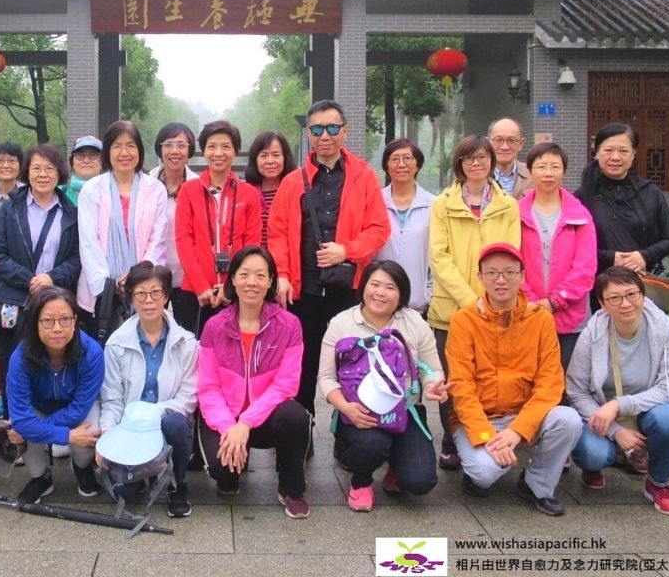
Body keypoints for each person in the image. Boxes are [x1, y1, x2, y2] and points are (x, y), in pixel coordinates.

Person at [268, 99, 390, 421]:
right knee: (302, 365)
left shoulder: (363, 177)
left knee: (353, 362)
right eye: (318, 129)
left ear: (344, 131)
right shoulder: (293, 181)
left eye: (333, 128)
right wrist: (282, 274)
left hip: (348, 289)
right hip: (303, 290)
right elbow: (277, 232)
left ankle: (351, 429)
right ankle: (302, 430)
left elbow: (379, 228)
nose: (325, 135)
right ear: (308, 133)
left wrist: (347, 250)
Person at [446, 242, 581, 517]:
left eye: (509, 272)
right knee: (485, 472)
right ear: (480, 277)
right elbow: (461, 386)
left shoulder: (540, 319)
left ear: (522, 276)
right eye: (492, 273)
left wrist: (517, 430)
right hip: (479, 418)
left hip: (523, 414)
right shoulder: (463, 320)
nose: (501, 280)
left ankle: (536, 485)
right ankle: (477, 474)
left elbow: (550, 383)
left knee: (569, 420)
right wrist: (486, 435)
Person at [319, 261, 449, 512]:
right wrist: (345, 408)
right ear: (363, 287)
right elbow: (325, 378)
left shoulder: (414, 322)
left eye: (390, 287)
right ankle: (361, 481)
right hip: (359, 412)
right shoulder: (342, 323)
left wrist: (433, 386)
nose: (380, 293)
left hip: (405, 412)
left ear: (401, 294)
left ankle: (396, 467)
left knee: (420, 482)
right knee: (371, 445)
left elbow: (432, 370)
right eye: (375, 285)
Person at [197, 246, 312, 518]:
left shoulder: (289, 325)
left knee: (295, 415)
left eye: (261, 275)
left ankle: (291, 489)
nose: (252, 282)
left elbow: (286, 385)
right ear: (233, 279)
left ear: (271, 281)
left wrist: (246, 423)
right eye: (244, 274)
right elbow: (208, 387)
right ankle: (234, 467)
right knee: (224, 476)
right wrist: (230, 428)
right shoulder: (214, 326)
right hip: (227, 417)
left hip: (266, 419)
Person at [428, 135, 519, 470]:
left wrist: (491, 298)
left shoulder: (508, 205)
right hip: (451, 310)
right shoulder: (443, 204)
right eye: (469, 158)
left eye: (482, 157)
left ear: (491, 161)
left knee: (485, 377)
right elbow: (439, 257)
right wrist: (471, 301)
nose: (476, 163)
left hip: (497, 308)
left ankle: (483, 436)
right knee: (453, 378)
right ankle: (451, 439)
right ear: (459, 163)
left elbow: (510, 255)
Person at [567, 268, 669, 516]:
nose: (625, 304)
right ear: (602, 303)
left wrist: (619, 405)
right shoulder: (592, 333)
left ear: (643, 295)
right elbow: (576, 391)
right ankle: (602, 461)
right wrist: (615, 429)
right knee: (592, 454)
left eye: (632, 294)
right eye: (614, 298)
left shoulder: (665, 330)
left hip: (646, 409)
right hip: (600, 411)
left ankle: (658, 483)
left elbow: (668, 389)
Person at [0, 144, 81, 420]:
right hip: (15, 301)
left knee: (52, 363)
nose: (43, 174)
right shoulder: (10, 209)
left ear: (59, 173)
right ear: (27, 172)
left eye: (49, 169)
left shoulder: (70, 212)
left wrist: (52, 278)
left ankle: (48, 423)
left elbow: (78, 258)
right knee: (13, 364)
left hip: (55, 300)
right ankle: (14, 424)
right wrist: (28, 279)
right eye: (36, 168)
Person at [99, 261, 199, 518]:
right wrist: (106, 436)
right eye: (140, 294)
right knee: (124, 494)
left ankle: (178, 484)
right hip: (130, 427)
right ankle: (144, 475)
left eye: (156, 292)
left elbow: (188, 399)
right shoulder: (116, 344)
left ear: (166, 296)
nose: (149, 301)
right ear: (131, 297)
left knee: (178, 423)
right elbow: (112, 398)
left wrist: (151, 413)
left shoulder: (186, 343)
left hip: (165, 422)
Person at [5, 286, 105, 503]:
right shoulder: (20, 357)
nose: (57, 328)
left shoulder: (92, 353)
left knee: (90, 430)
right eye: (48, 321)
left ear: (75, 320)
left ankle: (82, 468)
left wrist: (37, 429)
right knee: (20, 427)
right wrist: (63, 434)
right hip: (38, 406)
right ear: (35, 322)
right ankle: (41, 477)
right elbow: (21, 416)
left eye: (65, 319)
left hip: (75, 409)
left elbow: (79, 409)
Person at [77, 120, 169, 339]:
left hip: (145, 288)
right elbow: (88, 242)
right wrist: (109, 284)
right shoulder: (92, 189)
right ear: (107, 152)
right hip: (103, 290)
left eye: (130, 146)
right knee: (105, 348)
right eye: (117, 146)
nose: (124, 153)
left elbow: (157, 241)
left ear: (139, 150)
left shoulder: (155, 189)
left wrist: (139, 277)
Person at [174, 120, 262, 337]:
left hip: (237, 292)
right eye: (212, 146)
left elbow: (251, 245)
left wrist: (232, 286)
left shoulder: (249, 194)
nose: (218, 153)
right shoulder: (188, 191)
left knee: (235, 351)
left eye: (226, 146)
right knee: (195, 352)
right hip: (195, 293)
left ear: (235, 151)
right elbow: (184, 240)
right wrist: (201, 286)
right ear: (204, 151)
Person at [517, 142, 597, 370]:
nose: (548, 173)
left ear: (564, 171)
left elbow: (585, 267)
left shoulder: (580, 215)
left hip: (570, 315)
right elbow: (512, 264)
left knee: (569, 378)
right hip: (526, 312)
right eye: (541, 167)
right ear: (530, 170)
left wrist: (554, 302)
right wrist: (531, 300)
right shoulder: (516, 213)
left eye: (555, 167)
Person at [574, 123, 669, 280]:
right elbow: (573, 245)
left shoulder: (650, 192)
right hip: (599, 285)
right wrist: (611, 258)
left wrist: (644, 256)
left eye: (623, 151)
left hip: (643, 284)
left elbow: (668, 239)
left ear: (633, 154)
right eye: (608, 150)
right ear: (597, 153)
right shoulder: (582, 197)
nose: (615, 157)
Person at [147, 122, 200, 331]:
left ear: (190, 150)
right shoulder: (146, 184)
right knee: (153, 333)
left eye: (181, 145)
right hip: (153, 274)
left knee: (187, 335)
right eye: (168, 145)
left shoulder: (199, 186)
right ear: (160, 149)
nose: (174, 151)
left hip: (188, 277)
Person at [376, 139, 435, 314]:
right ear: (387, 166)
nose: (401, 164)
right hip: (380, 301)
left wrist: (429, 293)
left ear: (418, 165)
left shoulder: (434, 205)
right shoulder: (374, 202)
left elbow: (440, 253)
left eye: (407, 158)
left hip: (420, 303)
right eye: (395, 159)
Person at [245, 131, 296, 251]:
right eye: (263, 156)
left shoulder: (295, 191)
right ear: (255, 160)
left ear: (285, 158)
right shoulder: (246, 193)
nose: (270, 161)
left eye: (276, 155)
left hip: (286, 258)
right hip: (253, 259)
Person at [488, 117, 532, 198]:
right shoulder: (475, 175)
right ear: (488, 143)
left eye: (511, 140)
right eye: (498, 140)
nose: (504, 147)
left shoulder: (533, 176)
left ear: (521, 144)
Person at [62, 135, 102, 205]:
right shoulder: (57, 193)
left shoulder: (114, 193)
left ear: (102, 163)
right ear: (72, 164)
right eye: (80, 155)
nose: (86, 161)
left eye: (93, 155)